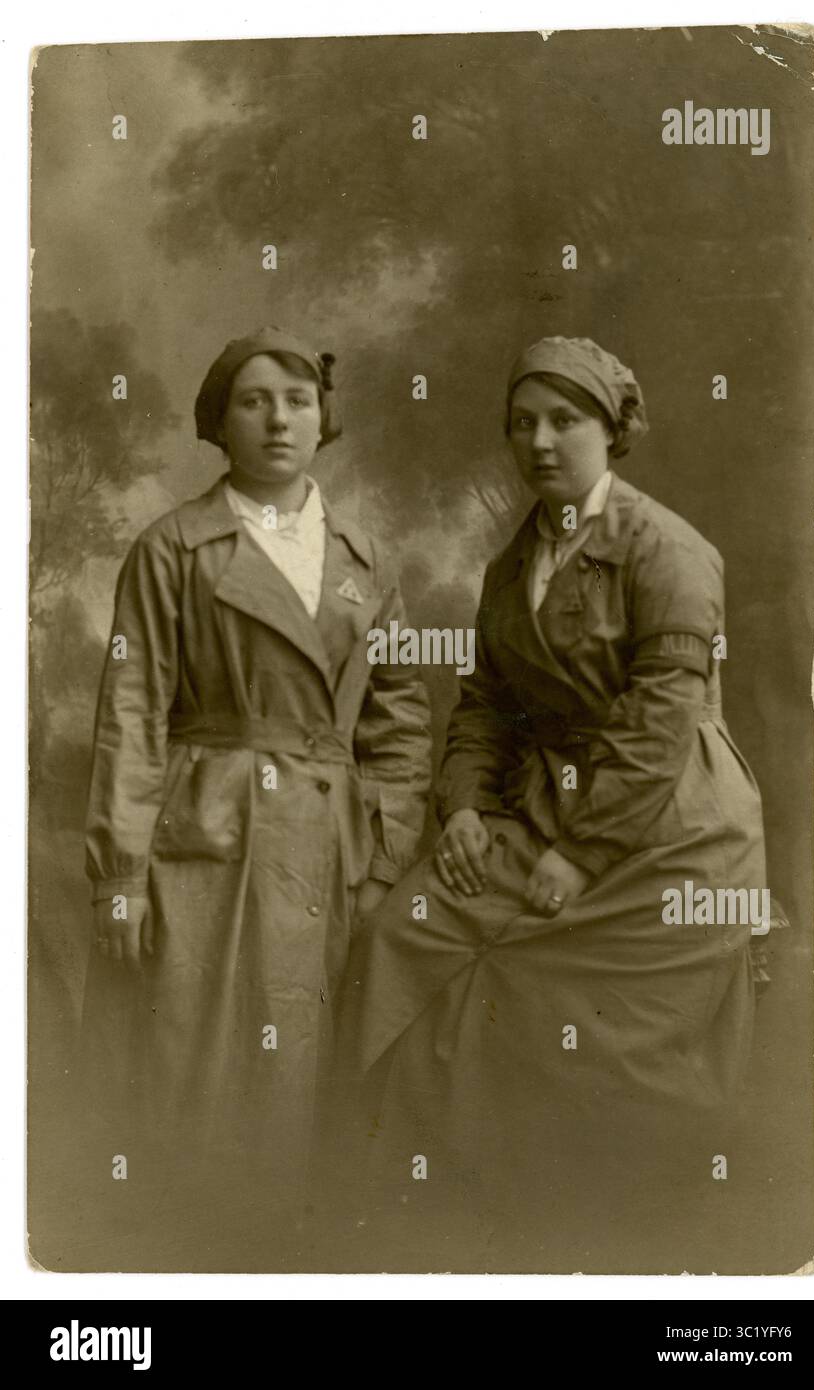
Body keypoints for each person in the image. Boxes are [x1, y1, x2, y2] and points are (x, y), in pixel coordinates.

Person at [335, 335, 767, 1267]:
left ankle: (599, 1228)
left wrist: (580, 853)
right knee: (404, 931)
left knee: (582, 1012)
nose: (538, 441)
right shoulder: (509, 568)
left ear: (613, 429)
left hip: (669, 829)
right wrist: (461, 807)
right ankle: (421, 1200)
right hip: (544, 812)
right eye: (521, 423)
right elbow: (485, 707)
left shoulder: (669, 549)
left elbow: (660, 725)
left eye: (564, 420)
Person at [78, 326, 432, 1260]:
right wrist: (120, 872)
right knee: (199, 1054)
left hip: (331, 847)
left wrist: (385, 851)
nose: (279, 420)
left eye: (298, 401)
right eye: (254, 401)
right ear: (220, 423)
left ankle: (292, 1258)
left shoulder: (364, 558)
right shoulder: (174, 548)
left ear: (323, 419)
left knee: (313, 1068)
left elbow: (399, 721)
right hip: (206, 838)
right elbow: (133, 711)